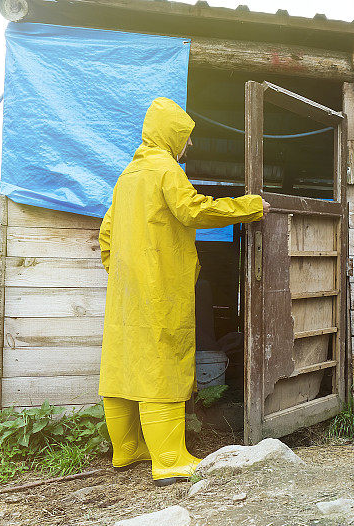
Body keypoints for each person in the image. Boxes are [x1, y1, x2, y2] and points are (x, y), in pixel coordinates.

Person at [98, 97, 269, 486]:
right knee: (164, 362)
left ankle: (127, 449)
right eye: (185, 137)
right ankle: (169, 459)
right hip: (161, 287)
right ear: (170, 134)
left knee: (123, 362)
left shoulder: (127, 176)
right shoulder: (165, 170)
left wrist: (125, 273)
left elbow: (106, 234)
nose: (187, 145)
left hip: (126, 291)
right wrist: (249, 206)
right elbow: (192, 210)